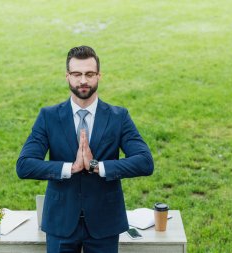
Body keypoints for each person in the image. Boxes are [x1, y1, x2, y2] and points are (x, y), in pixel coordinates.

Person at [16, 45, 154, 253]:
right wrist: (70, 168)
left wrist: (95, 166)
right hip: (60, 222)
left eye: (89, 74)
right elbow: (24, 166)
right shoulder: (48, 116)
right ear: (67, 76)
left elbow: (145, 161)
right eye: (77, 74)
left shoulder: (119, 117)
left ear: (99, 75)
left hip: (105, 222)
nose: (83, 80)